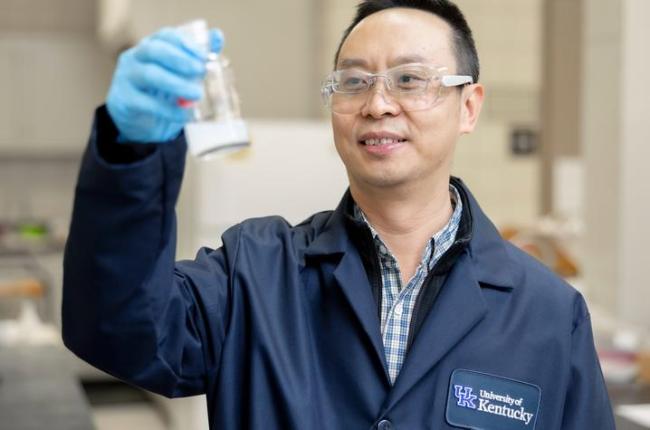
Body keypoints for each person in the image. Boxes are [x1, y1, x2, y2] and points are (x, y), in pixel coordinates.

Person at [62, 0, 615, 428]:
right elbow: (118, 330)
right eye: (354, 81)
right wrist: (129, 152)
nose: (378, 103)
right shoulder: (254, 272)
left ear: (468, 106)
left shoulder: (548, 314)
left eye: (410, 79)